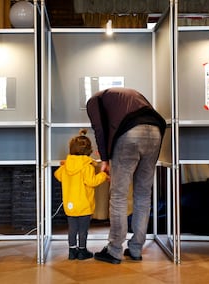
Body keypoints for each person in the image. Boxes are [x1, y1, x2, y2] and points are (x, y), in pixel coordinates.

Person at [86, 87, 166, 264]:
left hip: (129, 134)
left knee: (119, 195)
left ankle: (114, 250)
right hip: (156, 132)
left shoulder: (93, 101)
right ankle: (136, 249)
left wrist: (105, 160)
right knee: (143, 195)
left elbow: (99, 129)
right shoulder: (131, 94)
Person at [54, 129, 109, 260]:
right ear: (88, 150)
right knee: (83, 230)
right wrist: (103, 175)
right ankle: (82, 251)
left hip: (70, 204)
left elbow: (57, 175)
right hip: (84, 204)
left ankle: (72, 252)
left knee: (72, 229)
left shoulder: (67, 165)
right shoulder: (87, 166)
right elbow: (91, 182)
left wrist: (64, 165)